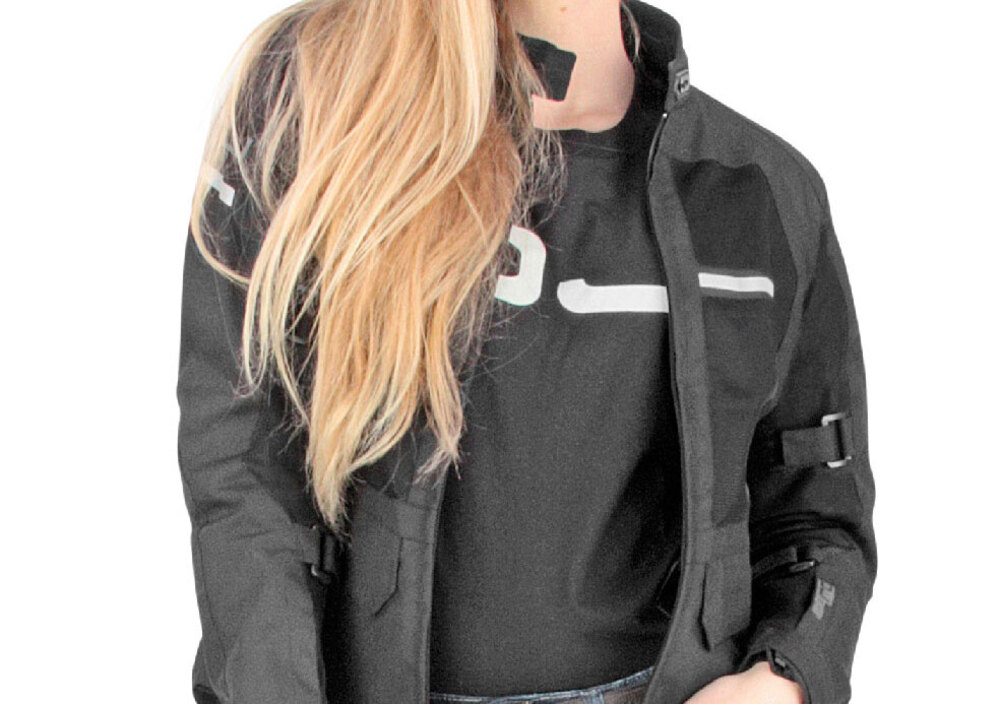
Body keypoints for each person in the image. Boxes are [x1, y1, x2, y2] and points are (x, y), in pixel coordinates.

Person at [176, 1, 877, 703]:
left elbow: (815, 513)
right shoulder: (318, 103)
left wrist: (781, 677)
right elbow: (245, 478)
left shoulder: (759, 191)